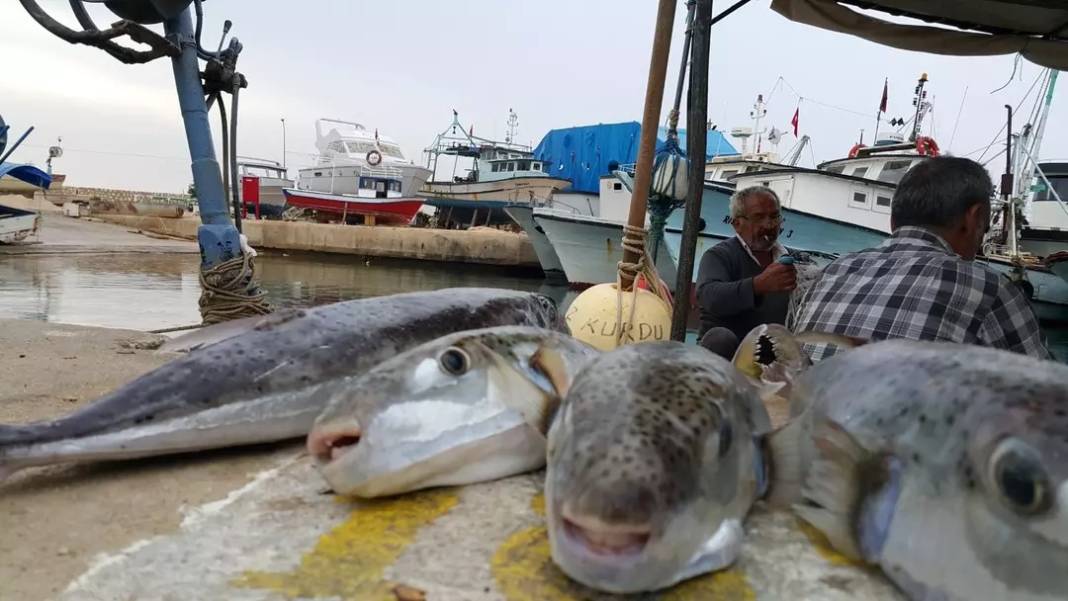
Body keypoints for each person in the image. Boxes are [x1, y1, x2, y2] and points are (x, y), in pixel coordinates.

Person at [794, 156, 1051, 361]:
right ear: (974, 219)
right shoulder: (990, 290)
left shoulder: (832, 271)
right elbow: (1046, 398)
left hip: (808, 421)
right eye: (985, 228)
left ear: (893, 220)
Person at [695, 186, 798, 358]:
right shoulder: (719, 256)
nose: (769, 225)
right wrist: (757, 286)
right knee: (720, 338)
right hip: (729, 357)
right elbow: (709, 296)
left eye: (774, 216)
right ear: (737, 224)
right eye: (759, 217)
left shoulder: (794, 259)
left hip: (773, 355)